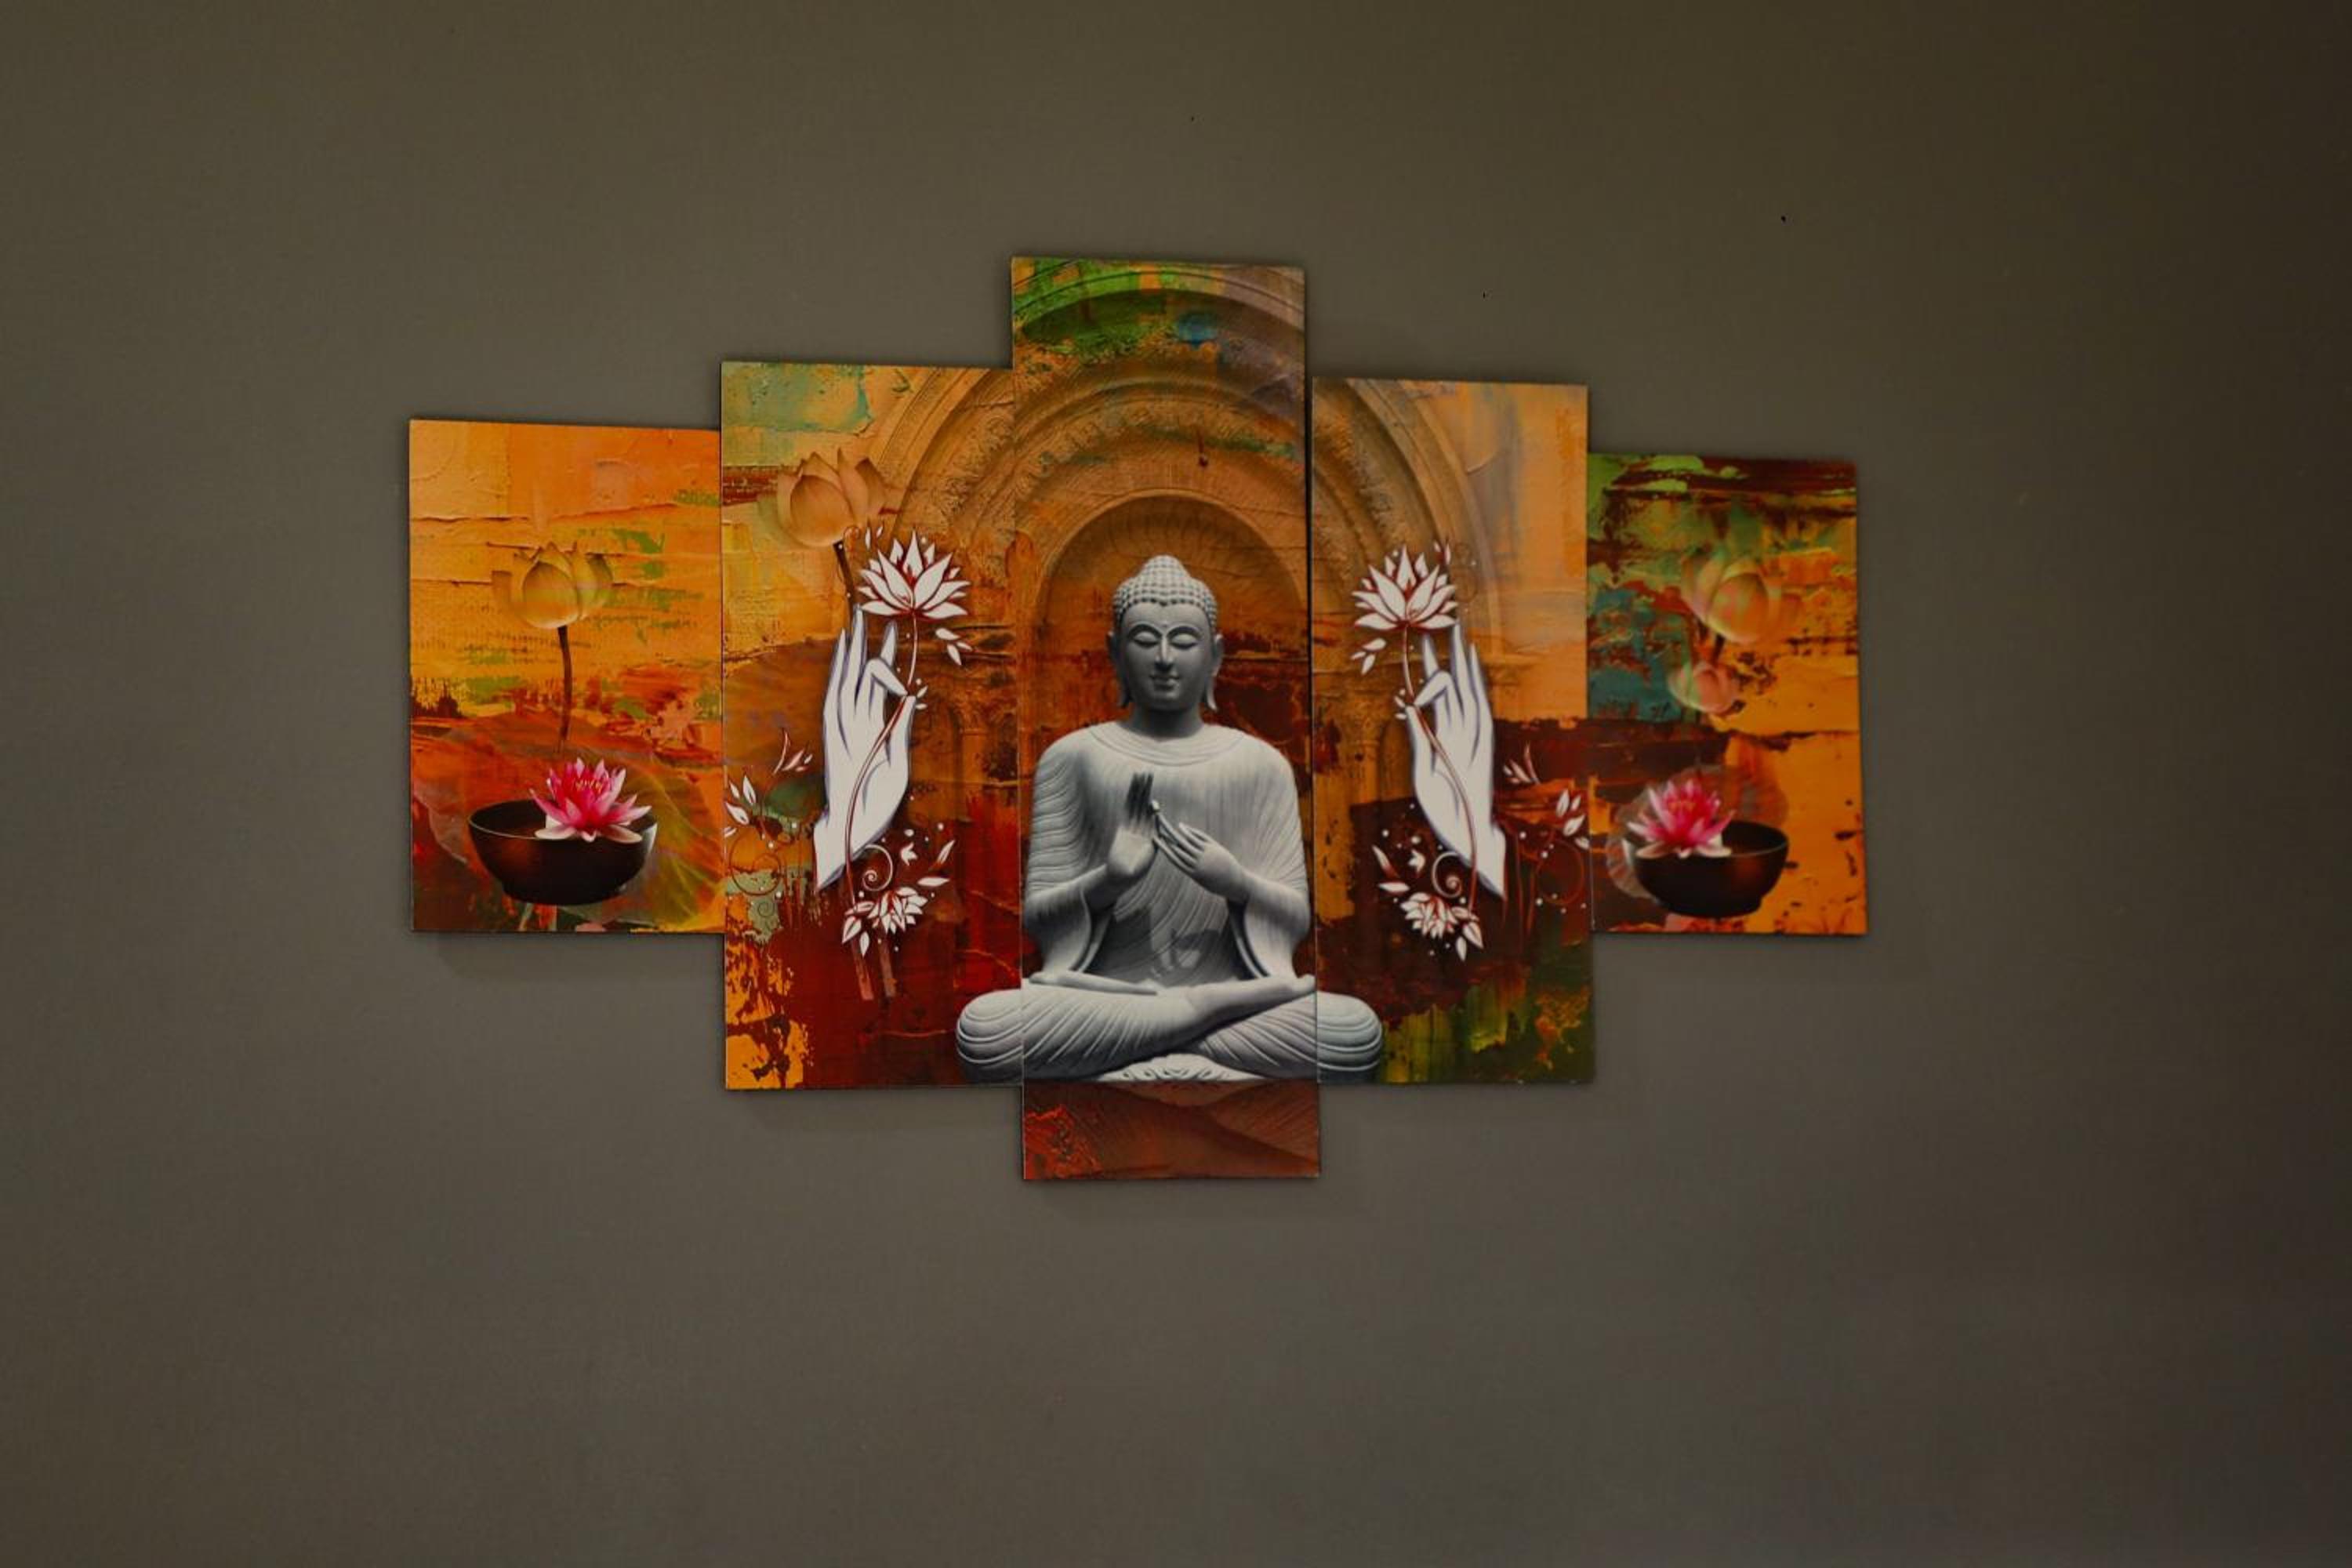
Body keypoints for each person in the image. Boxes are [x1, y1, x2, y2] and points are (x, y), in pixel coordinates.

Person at [955, 555, 1383, 1083]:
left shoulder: (1261, 764)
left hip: (1218, 1001)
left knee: (1352, 1032)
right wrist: (1110, 879)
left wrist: (1238, 883)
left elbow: (1293, 918)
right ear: (1115, 653)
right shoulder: (1072, 758)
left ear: (1215, 656)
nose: (1163, 658)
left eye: (1183, 641)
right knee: (986, 1031)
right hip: (1113, 999)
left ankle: (1167, 1031)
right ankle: (1197, 1019)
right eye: (1144, 640)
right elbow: (1042, 918)